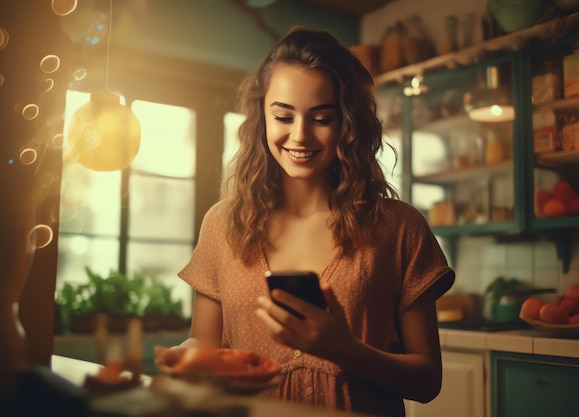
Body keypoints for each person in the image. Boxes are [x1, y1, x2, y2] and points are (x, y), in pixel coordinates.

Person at [155, 27, 455, 417]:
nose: (299, 135)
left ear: (348, 124)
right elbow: (205, 343)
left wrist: (343, 349)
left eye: (321, 118)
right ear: (261, 118)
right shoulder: (223, 225)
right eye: (283, 115)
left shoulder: (399, 229)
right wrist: (185, 357)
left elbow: (428, 381)